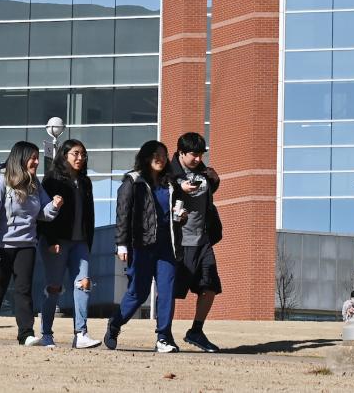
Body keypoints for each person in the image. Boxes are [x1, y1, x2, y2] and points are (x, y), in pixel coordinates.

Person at [0, 141, 62, 346]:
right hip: (0, 245)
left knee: (23, 290)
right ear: (20, 158)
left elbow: (43, 213)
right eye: (32, 157)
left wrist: (54, 206)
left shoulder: (34, 183)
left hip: (26, 244)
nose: (36, 161)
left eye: (37, 157)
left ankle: (26, 334)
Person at [104, 140, 180, 354]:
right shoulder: (133, 181)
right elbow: (123, 214)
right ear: (146, 157)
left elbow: (171, 213)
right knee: (138, 292)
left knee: (167, 291)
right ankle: (115, 324)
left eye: (164, 155)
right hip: (141, 245)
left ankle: (163, 337)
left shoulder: (170, 184)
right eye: (156, 155)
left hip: (166, 247)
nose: (161, 159)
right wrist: (121, 243)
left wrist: (179, 217)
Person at [38, 138, 100, 349]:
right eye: (75, 154)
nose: (80, 158)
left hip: (80, 242)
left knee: (84, 284)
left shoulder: (85, 182)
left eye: (83, 154)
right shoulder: (51, 180)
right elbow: (43, 214)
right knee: (54, 288)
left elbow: (89, 214)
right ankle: (46, 333)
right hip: (56, 242)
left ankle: (81, 334)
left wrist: (88, 242)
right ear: (64, 155)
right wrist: (51, 240)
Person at [166, 132, 223, 352]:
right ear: (181, 153)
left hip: (203, 240)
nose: (198, 159)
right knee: (171, 291)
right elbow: (161, 195)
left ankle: (196, 331)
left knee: (209, 287)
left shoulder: (204, 174)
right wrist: (178, 189)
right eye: (194, 155)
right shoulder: (169, 175)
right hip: (180, 242)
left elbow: (208, 195)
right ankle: (164, 333)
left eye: (201, 154)